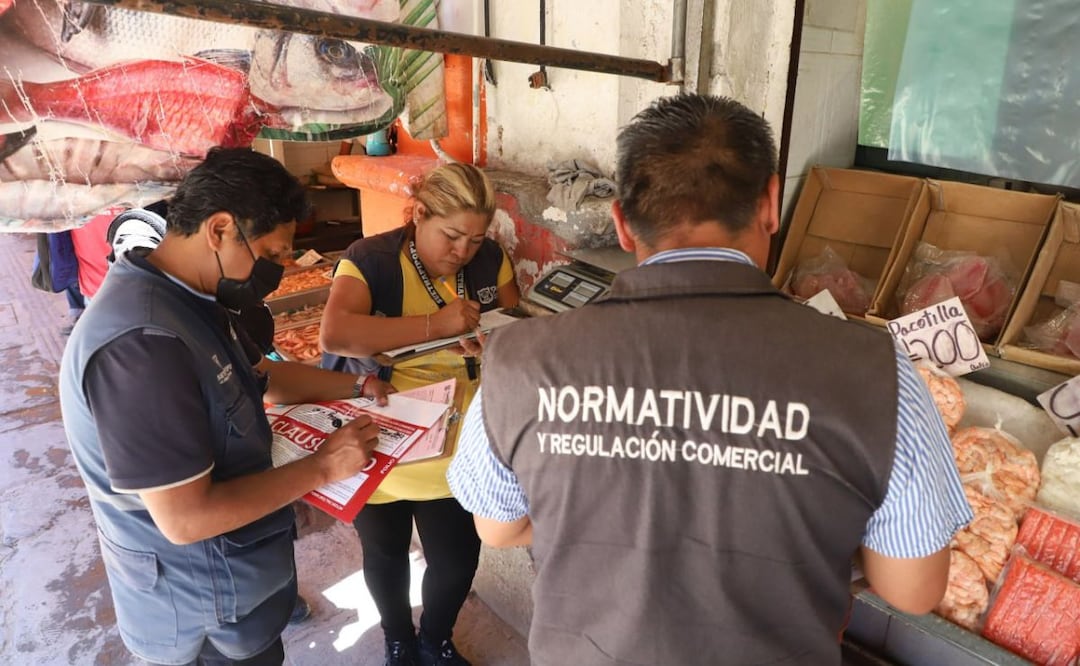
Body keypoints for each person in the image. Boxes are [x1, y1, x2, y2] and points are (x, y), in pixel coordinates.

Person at [446, 93, 974, 665]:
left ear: (622, 224)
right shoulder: (880, 373)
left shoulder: (520, 359)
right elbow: (912, 590)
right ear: (772, 203)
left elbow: (498, 530)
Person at [58, 147, 392, 666]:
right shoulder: (142, 347)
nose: (277, 269)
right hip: (204, 615)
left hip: (242, 585)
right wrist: (324, 466)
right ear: (219, 229)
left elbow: (263, 377)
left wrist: (354, 387)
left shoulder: (193, 296)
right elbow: (186, 520)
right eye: (272, 252)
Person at [320, 162, 520, 666]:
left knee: (455, 562)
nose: (462, 252)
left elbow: (517, 330)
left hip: (456, 445)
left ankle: (436, 639)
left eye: (475, 240)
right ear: (418, 214)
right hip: (379, 437)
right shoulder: (372, 260)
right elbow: (337, 334)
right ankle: (397, 640)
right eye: (451, 236)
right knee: (385, 555)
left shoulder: (489, 261)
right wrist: (435, 324)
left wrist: (495, 342)